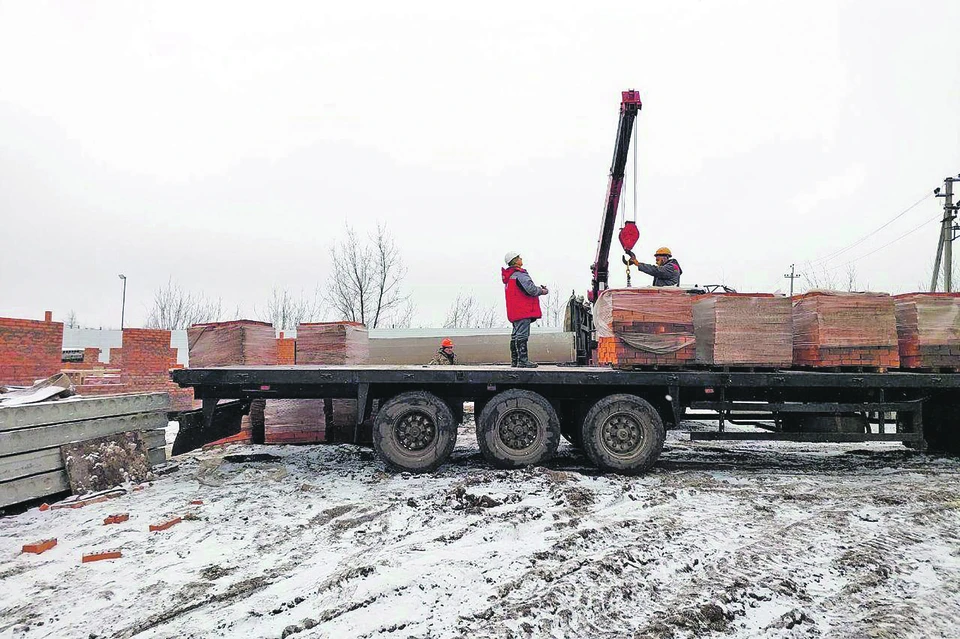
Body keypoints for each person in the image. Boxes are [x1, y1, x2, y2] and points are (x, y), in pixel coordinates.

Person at [502, 251, 548, 368]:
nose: (521, 258)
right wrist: (542, 291)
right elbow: (531, 290)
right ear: (515, 261)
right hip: (523, 310)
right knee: (522, 335)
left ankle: (515, 361)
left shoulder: (509, 277)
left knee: (515, 335)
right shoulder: (520, 274)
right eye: (519, 257)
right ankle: (523, 361)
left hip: (514, 311)